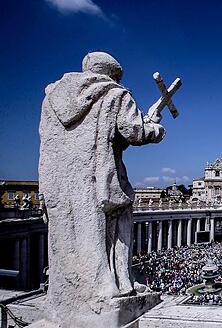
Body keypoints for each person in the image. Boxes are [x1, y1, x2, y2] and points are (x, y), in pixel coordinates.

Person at [39, 52, 165, 325]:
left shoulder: (51, 99)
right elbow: (135, 132)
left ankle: (68, 294)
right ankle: (116, 286)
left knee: (67, 238)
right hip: (99, 178)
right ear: (113, 74)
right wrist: (155, 127)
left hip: (59, 182)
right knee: (111, 232)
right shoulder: (115, 93)